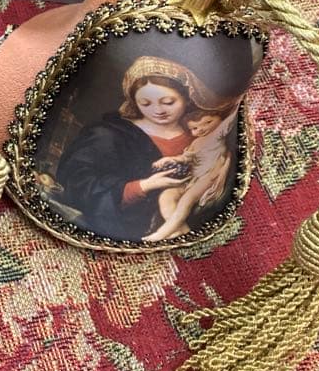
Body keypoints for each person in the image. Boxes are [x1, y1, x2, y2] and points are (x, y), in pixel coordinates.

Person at [55, 56, 228, 241]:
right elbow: (77, 182)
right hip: (128, 226)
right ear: (134, 102)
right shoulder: (109, 134)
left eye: (168, 102)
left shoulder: (201, 130)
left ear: (187, 99)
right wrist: (144, 186)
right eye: (145, 103)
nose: (158, 110)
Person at [143, 108, 238, 242]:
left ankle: (161, 234)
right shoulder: (196, 142)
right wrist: (169, 159)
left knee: (186, 200)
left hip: (208, 176)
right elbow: (185, 158)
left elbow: (231, 118)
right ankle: (182, 231)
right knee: (166, 195)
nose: (201, 129)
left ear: (219, 118)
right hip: (193, 178)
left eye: (208, 122)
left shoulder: (217, 134)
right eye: (195, 128)